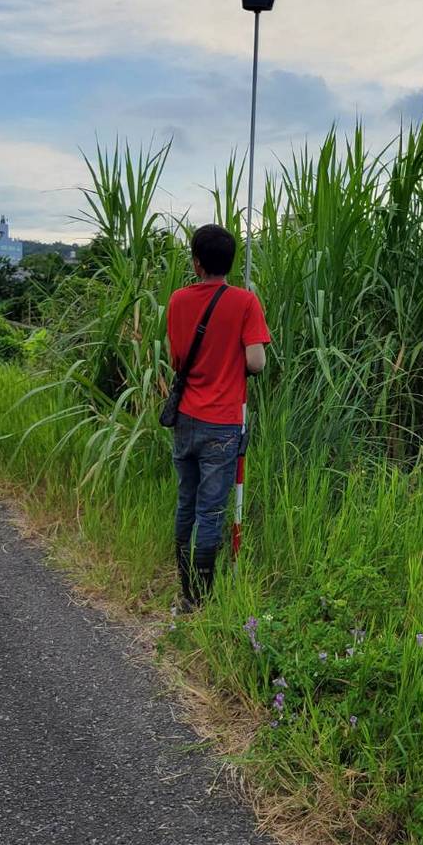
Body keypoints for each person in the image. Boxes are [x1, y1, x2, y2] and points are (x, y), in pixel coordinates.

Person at [166, 224, 270, 608]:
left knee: (186, 503)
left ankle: (184, 588)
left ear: (196, 263)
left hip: (185, 417)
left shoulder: (177, 300)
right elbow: (256, 362)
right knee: (210, 511)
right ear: (231, 261)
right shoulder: (245, 302)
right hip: (223, 422)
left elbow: (177, 358)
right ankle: (200, 599)